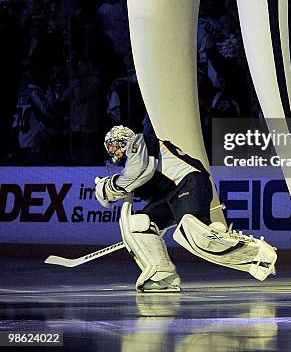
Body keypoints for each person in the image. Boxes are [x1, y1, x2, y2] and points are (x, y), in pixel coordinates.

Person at [95, 123, 277, 293]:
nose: (113, 151)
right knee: (139, 223)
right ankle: (162, 275)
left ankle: (258, 252)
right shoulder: (133, 163)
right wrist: (115, 189)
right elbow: (137, 180)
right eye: (110, 148)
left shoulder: (139, 142)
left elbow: (141, 170)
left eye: (114, 145)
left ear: (125, 140)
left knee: (194, 233)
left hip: (188, 182)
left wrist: (111, 187)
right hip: (170, 196)